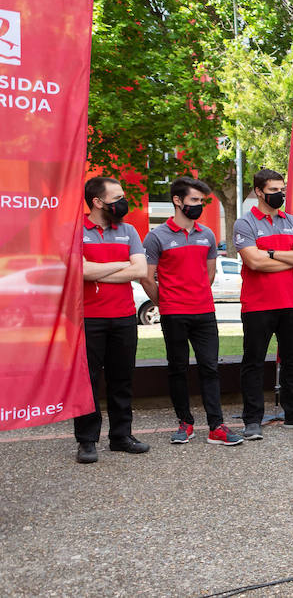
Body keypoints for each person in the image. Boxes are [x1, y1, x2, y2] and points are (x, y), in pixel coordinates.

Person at [140, 177, 242, 447]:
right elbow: (146, 278)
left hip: (204, 312)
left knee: (210, 367)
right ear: (177, 200)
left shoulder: (207, 235)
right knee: (178, 368)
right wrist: (166, 302)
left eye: (201, 201)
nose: (199, 205)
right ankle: (185, 423)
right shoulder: (156, 236)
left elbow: (208, 274)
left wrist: (194, 295)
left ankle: (216, 426)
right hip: (173, 314)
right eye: (194, 200)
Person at [234, 168, 293, 439]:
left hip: (291, 302)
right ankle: (252, 420)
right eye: (273, 191)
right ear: (259, 192)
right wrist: (287, 257)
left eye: (281, 190)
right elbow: (254, 262)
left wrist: (270, 253)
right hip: (257, 304)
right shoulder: (244, 223)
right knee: (254, 362)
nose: (279, 195)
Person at [75, 177, 149, 463]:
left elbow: (140, 269)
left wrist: (99, 270)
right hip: (88, 318)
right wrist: (121, 264)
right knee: (88, 381)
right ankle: (87, 440)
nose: (122, 202)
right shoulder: (76, 230)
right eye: (116, 197)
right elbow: (79, 271)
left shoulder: (128, 230)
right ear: (97, 201)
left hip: (124, 317)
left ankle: (121, 437)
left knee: (122, 379)